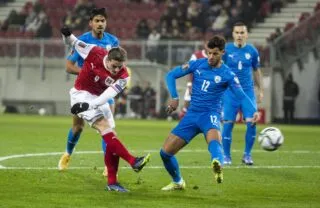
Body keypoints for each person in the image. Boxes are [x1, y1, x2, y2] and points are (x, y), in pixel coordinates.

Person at [160, 35, 259, 191]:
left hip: (210, 116)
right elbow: (170, 75)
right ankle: (178, 181)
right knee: (165, 153)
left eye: (215, 54)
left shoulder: (228, 74)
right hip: (192, 116)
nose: (211, 57)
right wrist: (174, 97)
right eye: (209, 53)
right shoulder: (197, 64)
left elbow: (241, 96)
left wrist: (253, 111)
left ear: (222, 53)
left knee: (214, 143)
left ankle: (217, 165)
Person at [60, 26, 150, 192]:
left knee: (111, 136)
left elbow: (108, 95)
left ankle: (112, 182)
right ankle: (132, 161)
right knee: (103, 127)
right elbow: (72, 42)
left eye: (120, 67)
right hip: (81, 94)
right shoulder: (94, 51)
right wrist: (66, 34)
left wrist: (90, 106)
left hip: (97, 99)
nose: (116, 70)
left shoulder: (124, 76)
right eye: (114, 66)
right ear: (107, 59)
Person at [58, 8, 120, 176]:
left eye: (103, 21)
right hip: (84, 91)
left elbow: (116, 66)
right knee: (78, 127)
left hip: (104, 91)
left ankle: (108, 165)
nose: (100, 24)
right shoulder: (82, 41)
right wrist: (88, 73)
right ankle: (67, 154)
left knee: (107, 128)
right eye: (97, 21)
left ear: (106, 23)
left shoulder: (113, 41)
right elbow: (69, 66)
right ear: (91, 23)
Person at [222, 22, 263, 166]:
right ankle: (226, 156)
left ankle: (247, 155)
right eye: (237, 32)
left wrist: (261, 90)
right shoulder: (225, 50)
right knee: (227, 124)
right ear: (233, 34)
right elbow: (219, 69)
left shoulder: (252, 51)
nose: (239, 35)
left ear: (246, 34)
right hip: (230, 93)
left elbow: (257, 71)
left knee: (251, 123)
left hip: (247, 93)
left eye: (242, 33)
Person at [179, 43, 208, 119]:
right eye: (207, 43)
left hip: (209, 85)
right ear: (204, 44)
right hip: (196, 84)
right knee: (187, 100)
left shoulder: (215, 56)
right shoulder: (196, 55)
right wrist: (189, 84)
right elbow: (190, 69)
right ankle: (184, 115)